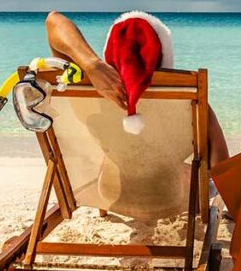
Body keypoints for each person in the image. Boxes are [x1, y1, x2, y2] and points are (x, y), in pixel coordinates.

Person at [44, 10, 230, 168]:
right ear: (164, 56)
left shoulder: (92, 101)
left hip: (111, 194)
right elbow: (221, 174)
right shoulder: (190, 108)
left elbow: (53, 20)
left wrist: (92, 65)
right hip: (172, 195)